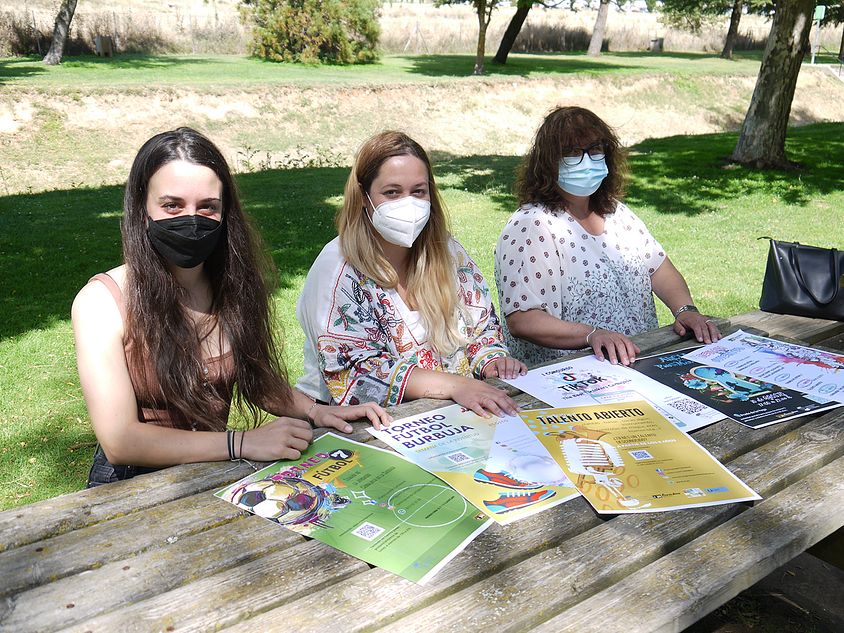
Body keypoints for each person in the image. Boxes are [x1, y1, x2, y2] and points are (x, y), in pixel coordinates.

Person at [72, 128, 389, 487]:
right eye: (172, 205)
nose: (191, 220)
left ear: (225, 213)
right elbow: (121, 442)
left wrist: (319, 411)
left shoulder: (232, 286)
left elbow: (257, 381)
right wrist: (243, 442)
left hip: (210, 472)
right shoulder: (101, 302)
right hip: (129, 486)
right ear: (141, 207)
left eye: (207, 206)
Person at [296, 131, 526, 418]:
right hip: (355, 424)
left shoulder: (447, 251)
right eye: (392, 192)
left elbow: (481, 327)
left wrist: (491, 361)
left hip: (447, 415)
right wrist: (455, 386)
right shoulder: (338, 269)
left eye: (418, 191)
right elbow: (356, 373)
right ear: (364, 197)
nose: (408, 204)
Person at [495, 106, 720, 367]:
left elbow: (658, 267)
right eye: (572, 153)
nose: (586, 160)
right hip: (573, 376)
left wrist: (685, 311)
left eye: (594, 150)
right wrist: (591, 335)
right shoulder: (532, 225)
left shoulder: (616, 212)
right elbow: (523, 320)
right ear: (548, 162)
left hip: (637, 361)